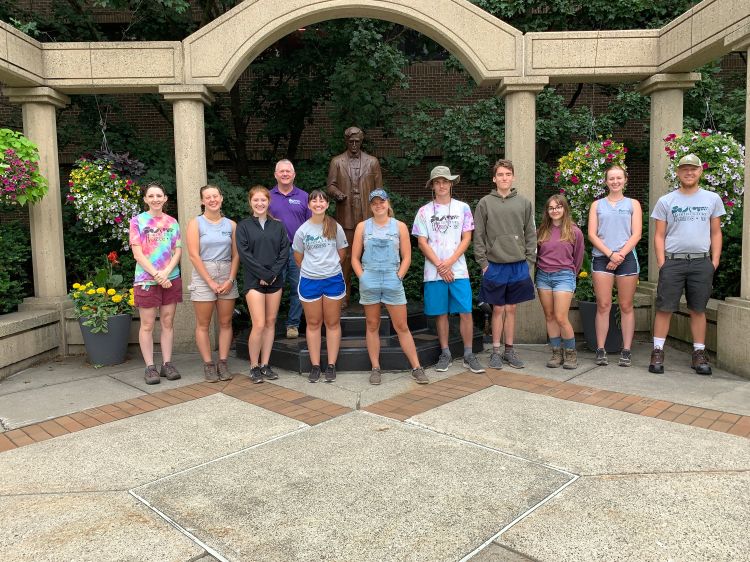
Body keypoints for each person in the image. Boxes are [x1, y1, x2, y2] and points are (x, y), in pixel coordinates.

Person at [649, 153, 724, 376]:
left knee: (698, 309)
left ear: (700, 171)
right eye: (684, 169)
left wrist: (714, 262)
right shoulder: (666, 201)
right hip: (673, 262)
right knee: (664, 308)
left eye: (693, 169)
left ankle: (699, 353)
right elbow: (659, 235)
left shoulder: (712, 199)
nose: (689, 172)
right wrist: (662, 263)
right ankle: (658, 351)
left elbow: (716, 232)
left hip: (701, 262)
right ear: (678, 172)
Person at [351, 189, 429, 386]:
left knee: (402, 326)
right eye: (374, 203)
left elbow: (407, 256)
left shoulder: (400, 226)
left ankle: (416, 367)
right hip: (370, 279)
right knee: (372, 325)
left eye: (382, 202)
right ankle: (375, 368)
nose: (378, 205)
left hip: (392, 279)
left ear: (387, 203)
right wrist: (363, 277)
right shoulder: (362, 227)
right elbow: (353, 258)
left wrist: (399, 276)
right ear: (370, 206)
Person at [412, 165, 484, 374]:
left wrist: (449, 263)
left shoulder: (463, 208)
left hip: (458, 270)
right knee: (440, 314)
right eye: (437, 182)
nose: (441, 185)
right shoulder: (424, 211)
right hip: (434, 272)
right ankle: (446, 353)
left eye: (445, 181)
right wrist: (440, 266)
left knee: (465, 311)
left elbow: (467, 238)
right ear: (432, 186)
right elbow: (422, 242)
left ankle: (469, 354)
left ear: (451, 183)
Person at [474, 159, 537, 370]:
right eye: (500, 174)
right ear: (494, 178)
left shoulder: (524, 203)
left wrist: (529, 261)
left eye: (507, 174)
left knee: (511, 309)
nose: (504, 178)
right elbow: (479, 236)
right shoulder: (485, 203)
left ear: (513, 177)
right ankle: (495, 351)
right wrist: (483, 264)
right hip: (494, 265)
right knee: (498, 309)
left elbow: (531, 234)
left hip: (518, 264)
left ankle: (510, 350)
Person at [587, 165, 642, 367]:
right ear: (606, 181)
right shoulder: (597, 205)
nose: (615, 181)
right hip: (602, 257)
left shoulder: (633, 204)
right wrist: (610, 254)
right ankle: (600, 349)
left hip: (626, 257)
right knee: (603, 305)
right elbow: (592, 234)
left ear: (625, 180)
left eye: (619, 178)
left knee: (626, 305)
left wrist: (619, 255)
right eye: (611, 178)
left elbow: (636, 233)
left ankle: (626, 350)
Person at [129, 182, 183, 385]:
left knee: (168, 322)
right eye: (151, 196)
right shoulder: (137, 221)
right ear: (145, 199)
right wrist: (156, 275)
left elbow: (177, 250)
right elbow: (137, 252)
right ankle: (150, 366)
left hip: (171, 278)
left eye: (159, 195)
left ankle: (167, 364)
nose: (155, 199)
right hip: (146, 280)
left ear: (165, 198)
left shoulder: (172, 222)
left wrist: (167, 272)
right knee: (148, 324)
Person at [293, 190, 348, 383]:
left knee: (332, 323)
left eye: (322, 200)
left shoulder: (335, 226)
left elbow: (342, 254)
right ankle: (315, 365)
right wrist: (314, 269)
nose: (318, 203)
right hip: (310, 281)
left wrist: (328, 268)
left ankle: (331, 365)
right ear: (308, 205)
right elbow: (298, 257)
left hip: (333, 279)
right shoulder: (302, 230)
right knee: (313, 324)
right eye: (314, 200)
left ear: (327, 204)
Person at [186, 184, 240, 383]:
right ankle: (209, 364)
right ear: (202, 201)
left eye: (215, 196)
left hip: (226, 272)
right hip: (203, 274)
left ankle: (223, 362)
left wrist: (230, 279)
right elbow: (193, 254)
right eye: (207, 197)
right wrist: (209, 281)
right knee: (203, 323)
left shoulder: (231, 225)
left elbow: (236, 255)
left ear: (221, 198)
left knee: (225, 322)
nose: (212, 200)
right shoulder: (196, 223)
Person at [236, 185, 290, 383]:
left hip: (275, 280)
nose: (260, 203)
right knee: (258, 324)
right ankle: (254, 366)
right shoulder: (243, 226)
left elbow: (284, 251)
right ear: (250, 202)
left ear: (269, 202)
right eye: (256, 200)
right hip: (254, 280)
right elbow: (245, 254)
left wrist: (272, 273)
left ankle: (266, 364)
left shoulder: (278, 226)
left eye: (263, 200)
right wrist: (263, 274)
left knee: (270, 322)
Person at [327, 126, 383, 306]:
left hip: (368, 215)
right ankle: (344, 295)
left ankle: (373, 294)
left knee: (373, 255)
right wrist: (337, 194)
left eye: (357, 141)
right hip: (347, 215)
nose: (353, 144)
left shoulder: (372, 162)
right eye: (350, 141)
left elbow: (379, 191)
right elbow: (330, 186)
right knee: (346, 257)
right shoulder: (337, 162)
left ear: (361, 141)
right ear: (346, 141)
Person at [536, 194, 584, 369]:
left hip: (564, 276)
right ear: (547, 211)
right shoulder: (541, 231)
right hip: (543, 277)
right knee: (549, 316)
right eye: (551, 208)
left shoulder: (574, 231)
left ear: (564, 209)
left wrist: (571, 275)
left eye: (558, 207)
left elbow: (578, 258)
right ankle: (556, 353)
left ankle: (571, 355)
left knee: (561, 317)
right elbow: (537, 254)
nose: (555, 210)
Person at [269, 159, 311, 339]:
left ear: (294, 175)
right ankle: (270, 323)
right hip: (274, 252)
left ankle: (292, 325)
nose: (285, 174)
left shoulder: (304, 196)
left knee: (297, 288)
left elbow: (311, 224)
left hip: (298, 251)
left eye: (288, 171)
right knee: (274, 289)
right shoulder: (267, 197)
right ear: (275, 175)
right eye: (281, 171)